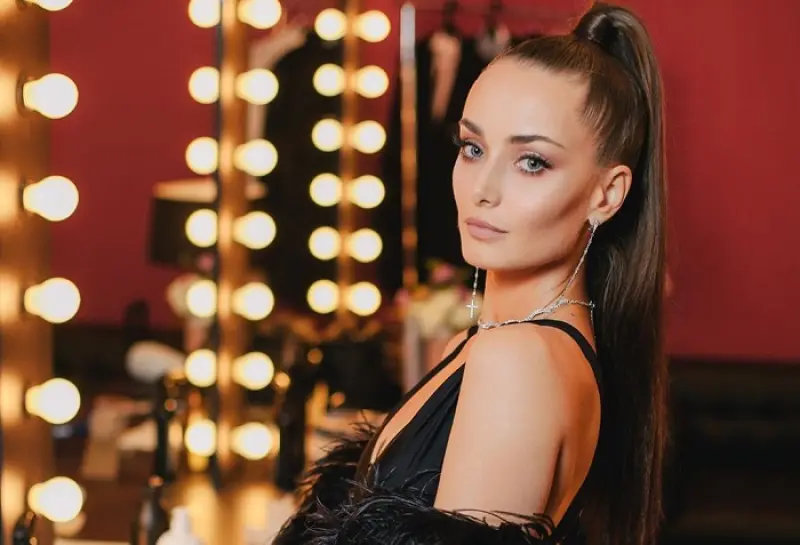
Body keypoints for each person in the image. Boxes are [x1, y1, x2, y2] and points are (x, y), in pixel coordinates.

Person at [274, 3, 668, 544]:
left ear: (607, 194)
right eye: (472, 147)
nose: (483, 188)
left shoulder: (518, 361)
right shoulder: (488, 343)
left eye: (532, 162)